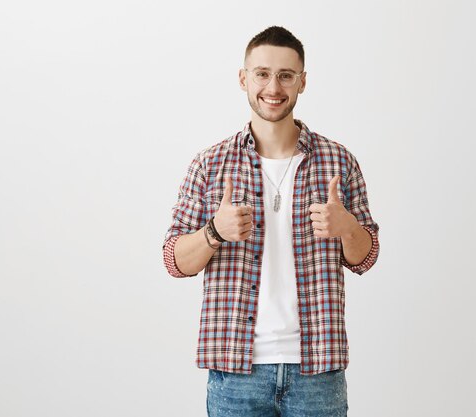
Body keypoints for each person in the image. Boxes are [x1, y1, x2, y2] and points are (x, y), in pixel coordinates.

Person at [162, 26, 380, 417]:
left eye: (286, 75)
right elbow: (174, 261)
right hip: (235, 373)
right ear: (244, 78)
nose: (273, 86)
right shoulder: (210, 164)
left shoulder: (338, 161)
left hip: (318, 371)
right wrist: (214, 232)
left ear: (302, 82)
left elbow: (365, 257)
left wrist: (346, 226)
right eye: (262, 73)